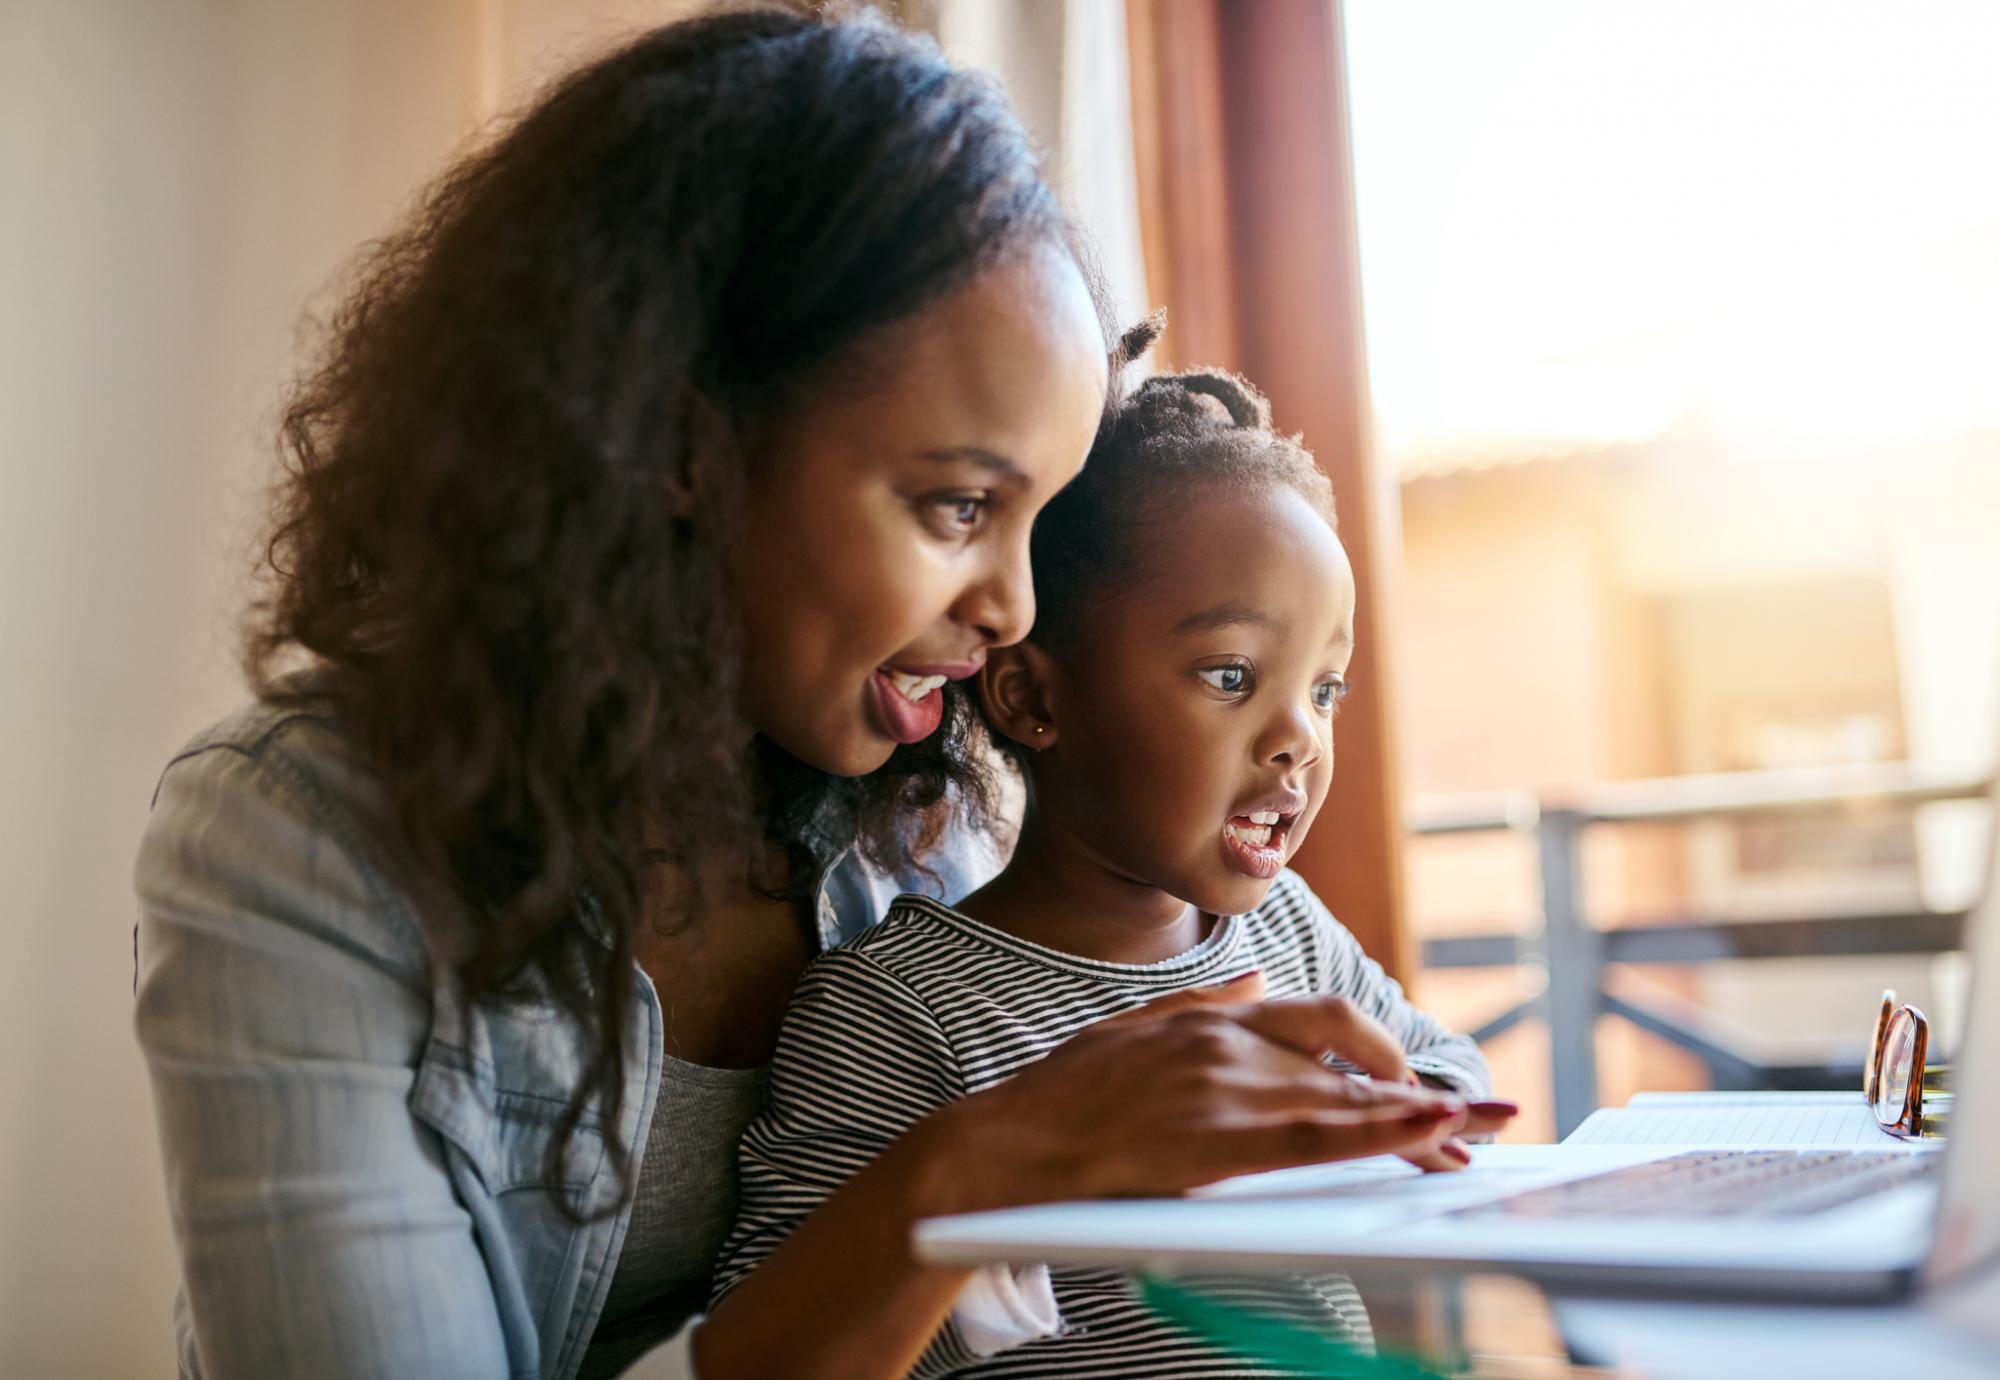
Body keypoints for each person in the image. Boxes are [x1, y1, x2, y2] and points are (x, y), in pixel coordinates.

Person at [132, 11, 1480, 1380]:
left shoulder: (938, 817)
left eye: (1039, 522)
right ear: (676, 438)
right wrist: (983, 1167)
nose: (1014, 609)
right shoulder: (299, 845)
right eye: (957, 504)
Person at [712, 340, 1512, 1375]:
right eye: (1230, 674)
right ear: (1033, 698)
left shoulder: (1285, 934)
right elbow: (790, 1317)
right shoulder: (898, 1008)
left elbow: (1448, 1078)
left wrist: (1351, 1116)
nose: (1299, 739)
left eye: (1323, 689)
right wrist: (1049, 1207)